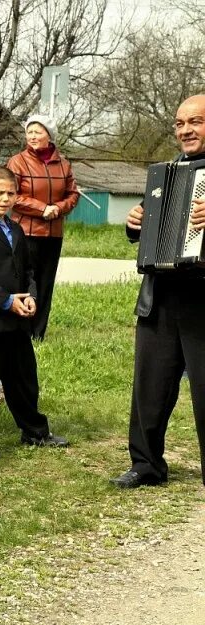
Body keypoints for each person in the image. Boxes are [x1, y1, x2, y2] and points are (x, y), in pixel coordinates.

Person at [113, 94, 205, 489]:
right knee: (150, 384)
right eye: (180, 123)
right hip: (161, 294)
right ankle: (146, 463)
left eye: (196, 122)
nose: (185, 130)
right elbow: (152, 229)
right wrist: (137, 222)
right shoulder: (167, 172)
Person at [0, 166, 69, 462]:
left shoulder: (18, 229)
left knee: (24, 378)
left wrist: (31, 295)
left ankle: (35, 430)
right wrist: (7, 300)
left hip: (19, 321)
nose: (6, 198)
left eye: (11, 193)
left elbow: (28, 270)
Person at [6, 115, 79, 340]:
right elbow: (12, 195)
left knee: (46, 281)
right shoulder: (17, 161)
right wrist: (41, 209)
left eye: (38, 132)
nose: (33, 136)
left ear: (49, 135)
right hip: (25, 232)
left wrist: (58, 208)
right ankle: (22, 328)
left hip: (53, 234)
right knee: (26, 280)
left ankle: (38, 332)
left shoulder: (63, 164)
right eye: (29, 132)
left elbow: (73, 194)